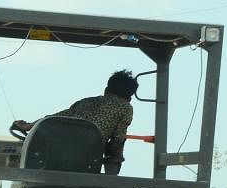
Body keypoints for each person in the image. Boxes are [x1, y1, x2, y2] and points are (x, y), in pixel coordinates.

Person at [11, 70, 139, 174]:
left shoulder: (85, 102)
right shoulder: (126, 108)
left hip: (55, 157)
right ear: (130, 96)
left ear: (106, 89)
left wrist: (28, 125)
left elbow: (52, 119)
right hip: (88, 161)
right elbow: (118, 139)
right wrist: (114, 165)